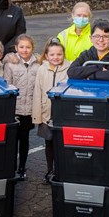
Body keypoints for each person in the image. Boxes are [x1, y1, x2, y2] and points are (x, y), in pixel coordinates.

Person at [32, 38, 70, 182]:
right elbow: (37, 92)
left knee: (63, 144)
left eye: (59, 54)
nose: (56, 57)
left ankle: (62, 170)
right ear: (47, 56)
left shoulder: (69, 68)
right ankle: (50, 170)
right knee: (49, 143)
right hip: (46, 114)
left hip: (62, 115)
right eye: (52, 55)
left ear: (63, 54)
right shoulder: (42, 69)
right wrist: (37, 116)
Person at [4, 34, 38, 180]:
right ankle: (11, 167)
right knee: (12, 140)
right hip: (15, 109)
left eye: (28, 47)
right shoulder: (10, 64)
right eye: (22, 47)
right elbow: (7, 86)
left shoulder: (38, 64)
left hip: (29, 110)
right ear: (16, 48)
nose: (25, 50)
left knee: (24, 140)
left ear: (33, 48)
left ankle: (22, 167)